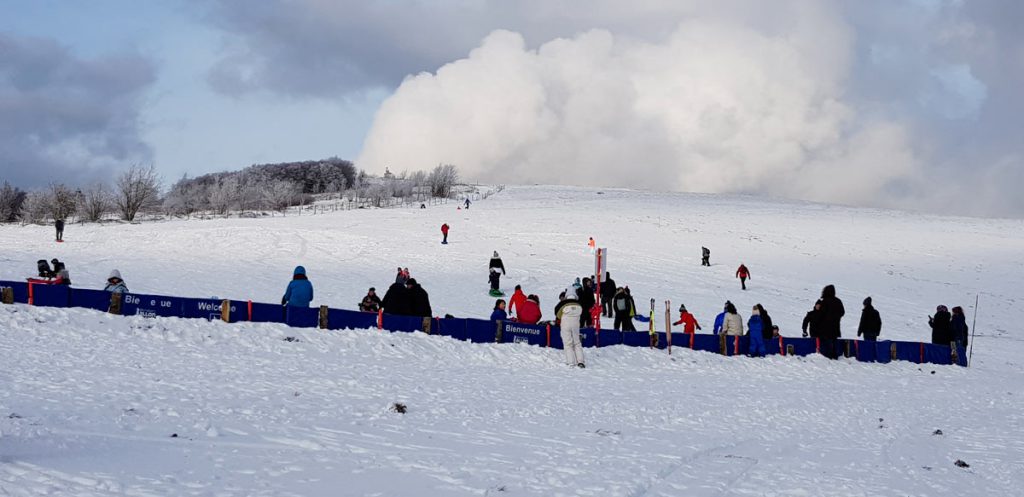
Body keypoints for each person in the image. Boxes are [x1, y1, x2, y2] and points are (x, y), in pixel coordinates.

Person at [555, 290, 585, 368]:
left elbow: (557, 314)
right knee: (577, 343)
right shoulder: (579, 304)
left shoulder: (563, 304)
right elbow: (583, 313)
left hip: (565, 325)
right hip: (576, 325)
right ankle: (581, 362)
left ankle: (571, 362)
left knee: (568, 343)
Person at [818, 285, 845, 359]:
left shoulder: (825, 301)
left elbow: (821, 314)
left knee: (828, 341)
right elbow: (842, 312)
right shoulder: (838, 301)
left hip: (825, 326)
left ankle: (829, 356)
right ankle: (835, 355)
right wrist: (836, 317)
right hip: (835, 325)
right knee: (834, 340)